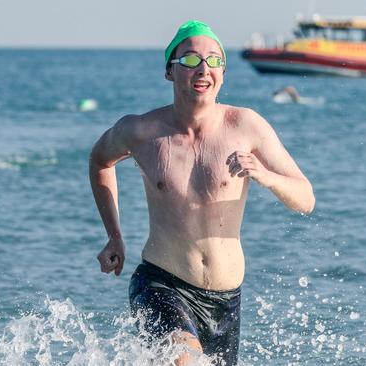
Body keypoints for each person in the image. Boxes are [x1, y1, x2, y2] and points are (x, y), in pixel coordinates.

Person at [89, 20, 315, 365]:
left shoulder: (246, 126)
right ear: (170, 72)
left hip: (227, 301)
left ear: (223, 73)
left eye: (214, 60)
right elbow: (100, 160)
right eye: (191, 60)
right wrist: (114, 236)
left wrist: (267, 176)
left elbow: (306, 199)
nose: (204, 69)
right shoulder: (140, 131)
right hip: (162, 285)